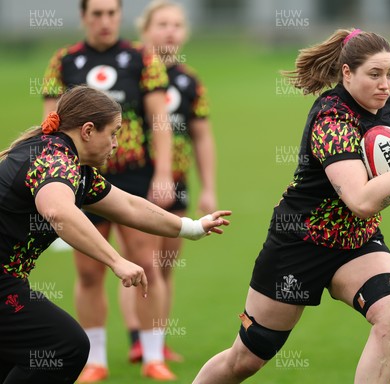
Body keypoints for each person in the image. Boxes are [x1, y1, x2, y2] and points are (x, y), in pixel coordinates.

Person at [193, 28, 390, 383]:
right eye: (374, 74)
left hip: (355, 243)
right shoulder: (332, 120)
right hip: (300, 243)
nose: (385, 84)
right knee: (246, 358)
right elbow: (361, 200)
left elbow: (379, 161)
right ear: (347, 73)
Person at [0, 85, 230, 384]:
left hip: (8, 280)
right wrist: (116, 260)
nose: (116, 144)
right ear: (87, 131)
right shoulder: (53, 160)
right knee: (65, 346)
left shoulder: (73, 166)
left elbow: (130, 206)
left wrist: (192, 228)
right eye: (113, 133)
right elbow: (59, 212)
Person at [41, 0, 179, 381]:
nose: (104, 21)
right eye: (96, 14)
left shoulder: (141, 58)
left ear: (119, 16)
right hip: (80, 177)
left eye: (111, 13)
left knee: (146, 263)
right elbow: (49, 124)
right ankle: (95, 359)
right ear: (84, 17)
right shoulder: (64, 61)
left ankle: (153, 355)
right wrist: (52, 176)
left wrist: (163, 173)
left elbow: (159, 120)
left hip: (132, 175)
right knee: (88, 272)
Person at [118, 0, 218, 365]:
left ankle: (156, 340)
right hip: (132, 179)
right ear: (144, 30)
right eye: (162, 24)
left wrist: (208, 188)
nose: (170, 31)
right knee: (139, 262)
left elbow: (202, 137)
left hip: (175, 181)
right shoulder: (126, 72)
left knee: (164, 266)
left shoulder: (189, 81)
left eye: (177, 25)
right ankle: (138, 340)